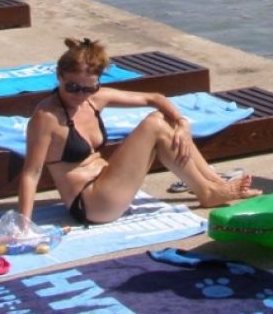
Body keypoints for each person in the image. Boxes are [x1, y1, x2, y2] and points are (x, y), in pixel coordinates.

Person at [17, 38, 259, 227]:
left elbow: (154, 98)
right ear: (58, 77)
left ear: (97, 83)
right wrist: (23, 225)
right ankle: (207, 192)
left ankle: (214, 183)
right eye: (72, 87)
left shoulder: (96, 99)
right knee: (154, 124)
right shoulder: (46, 117)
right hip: (91, 204)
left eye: (88, 89)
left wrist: (182, 123)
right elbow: (31, 173)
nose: (79, 95)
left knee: (166, 121)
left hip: (108, 184)